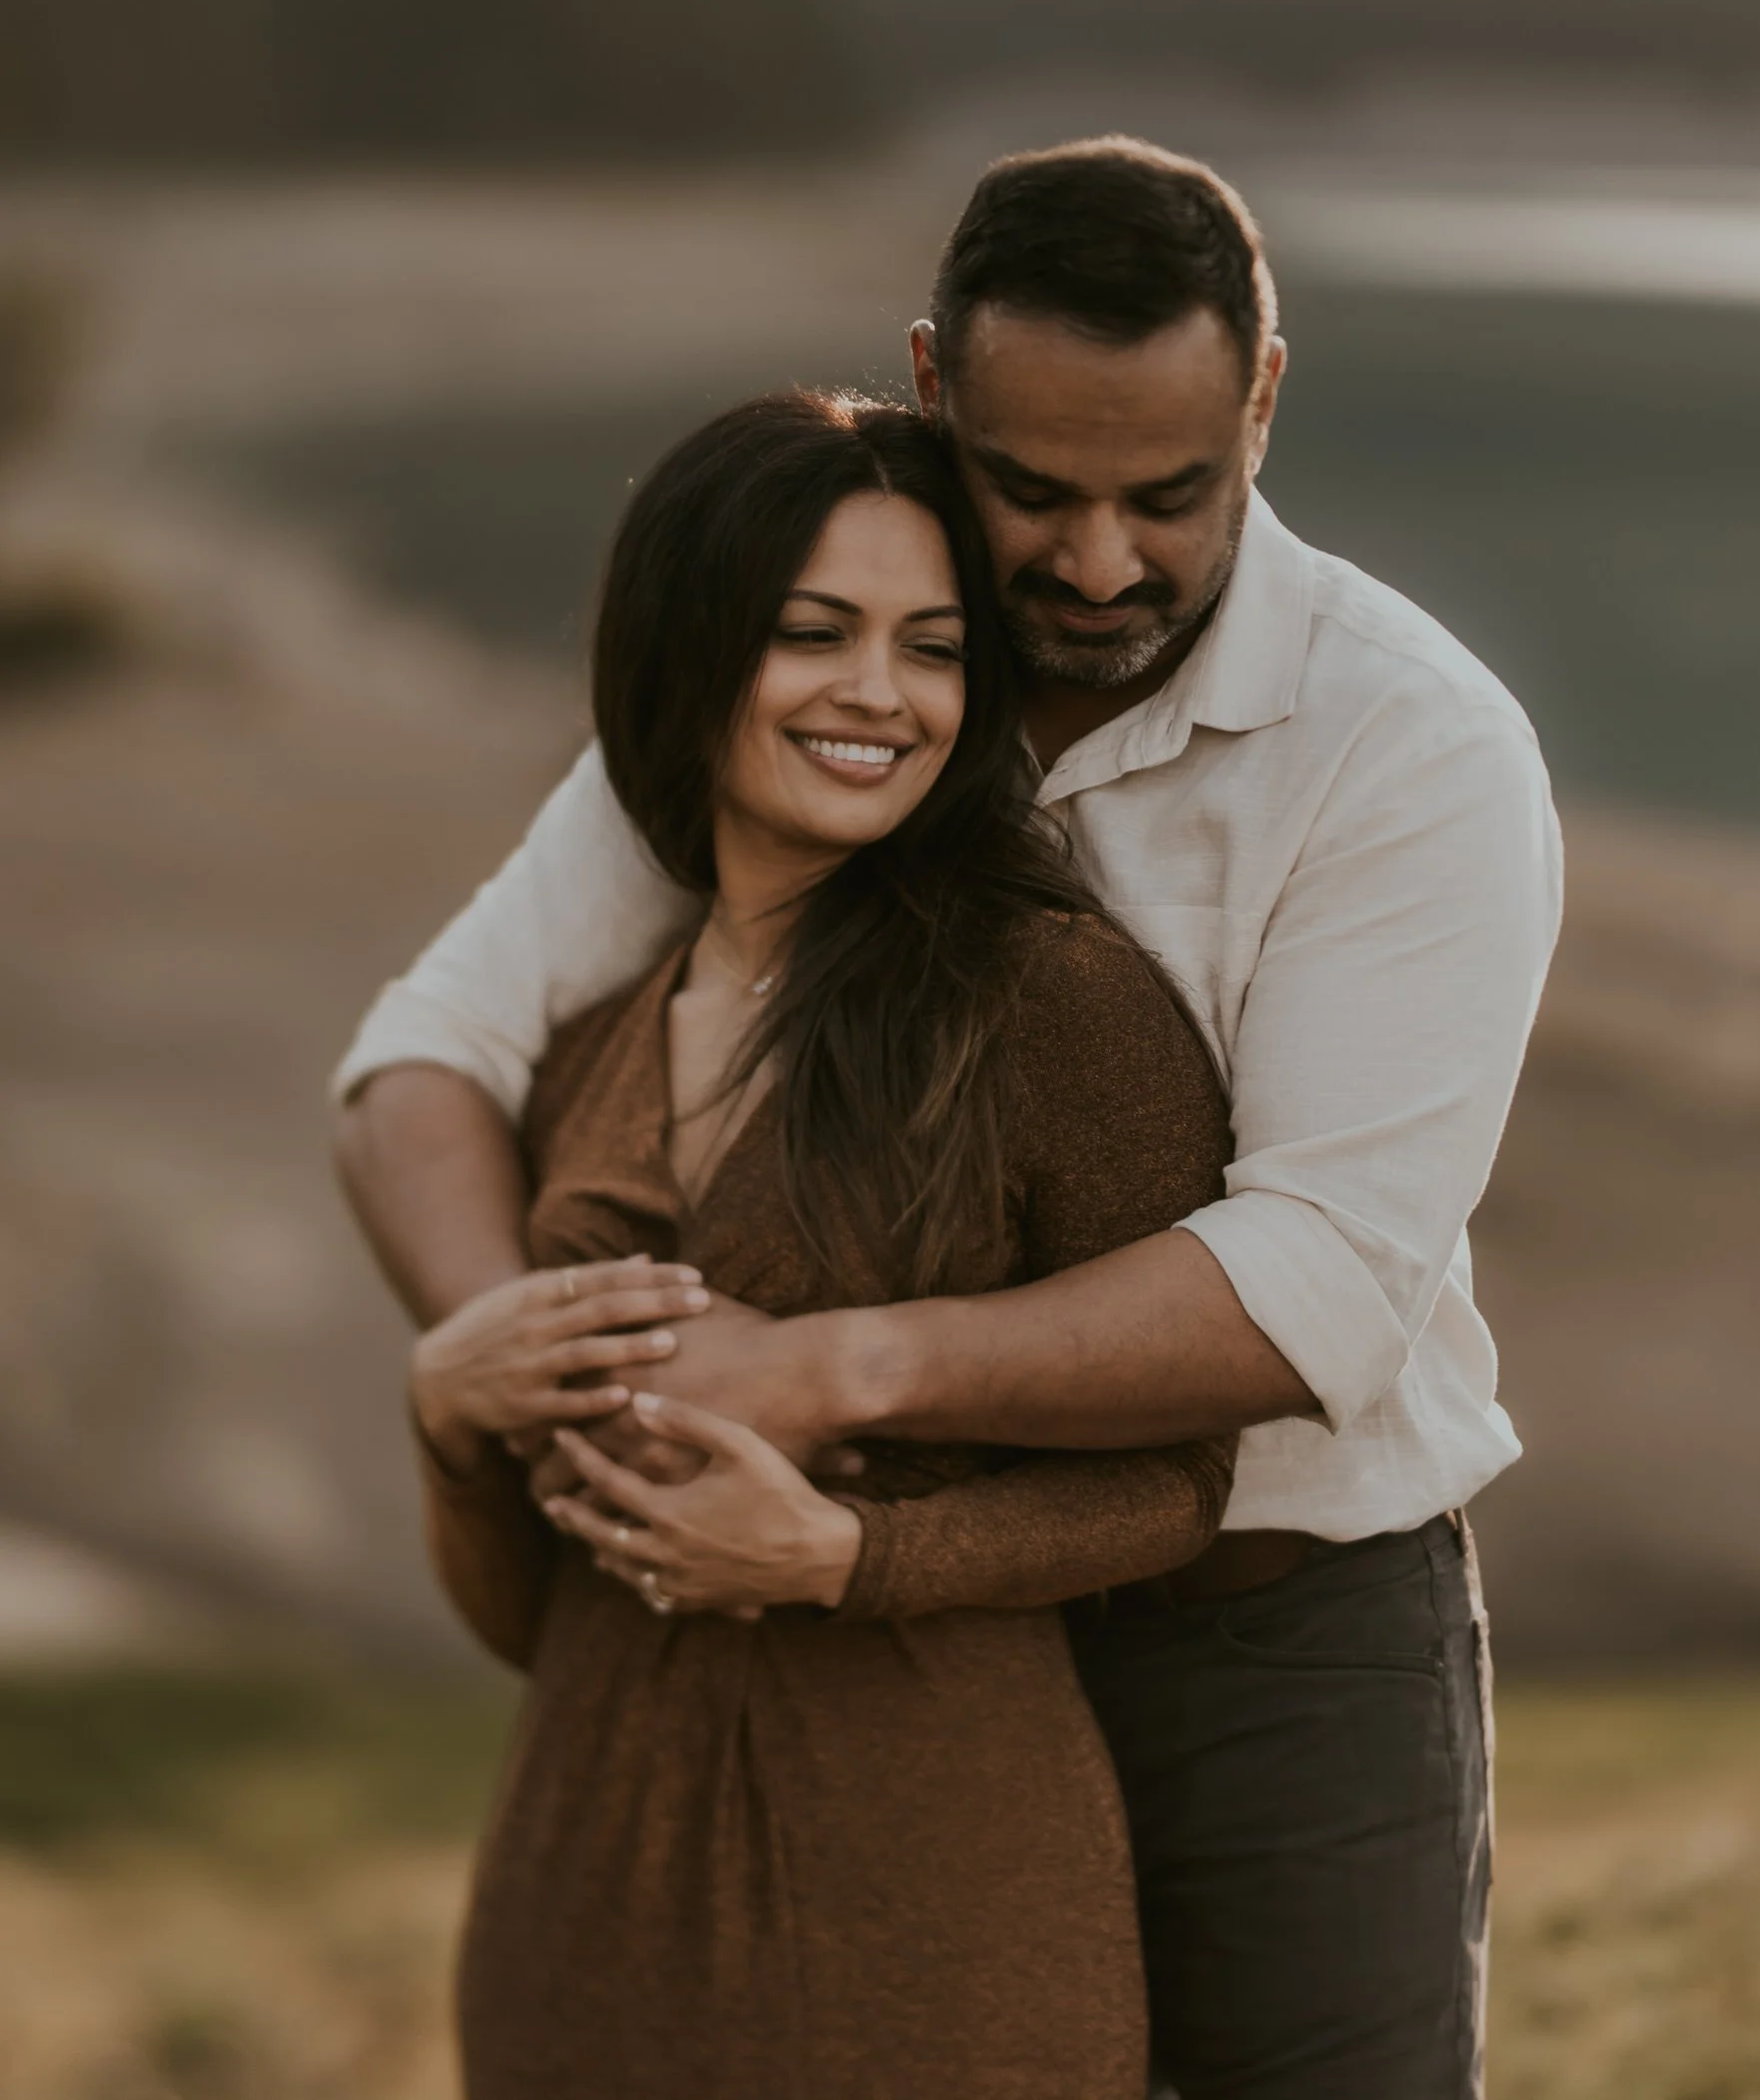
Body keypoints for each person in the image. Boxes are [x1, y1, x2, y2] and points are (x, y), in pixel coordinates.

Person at [338, 138, 1564, 2100]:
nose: (1100, 564)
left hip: (1263, 1637)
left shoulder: (1411, 745)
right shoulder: (855, 652)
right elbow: (433, 1057)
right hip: (875, 1648)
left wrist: (825, 1368)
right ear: (933, 387)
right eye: (1035, 490)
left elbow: (1320, 1283)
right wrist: (519, 1350)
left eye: (1171, 495)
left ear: (1263, 398)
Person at [410, 389, 1236, 2099]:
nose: (880, 691)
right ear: (687, 643)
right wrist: (449, 1415)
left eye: (934, 648)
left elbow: (1180, 1486)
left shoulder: (1048, 1002)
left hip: (932, 1907)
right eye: (814, 632)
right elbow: (530, 1608)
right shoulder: (590, 1046)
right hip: (577, 1900)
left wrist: (853, 1556)